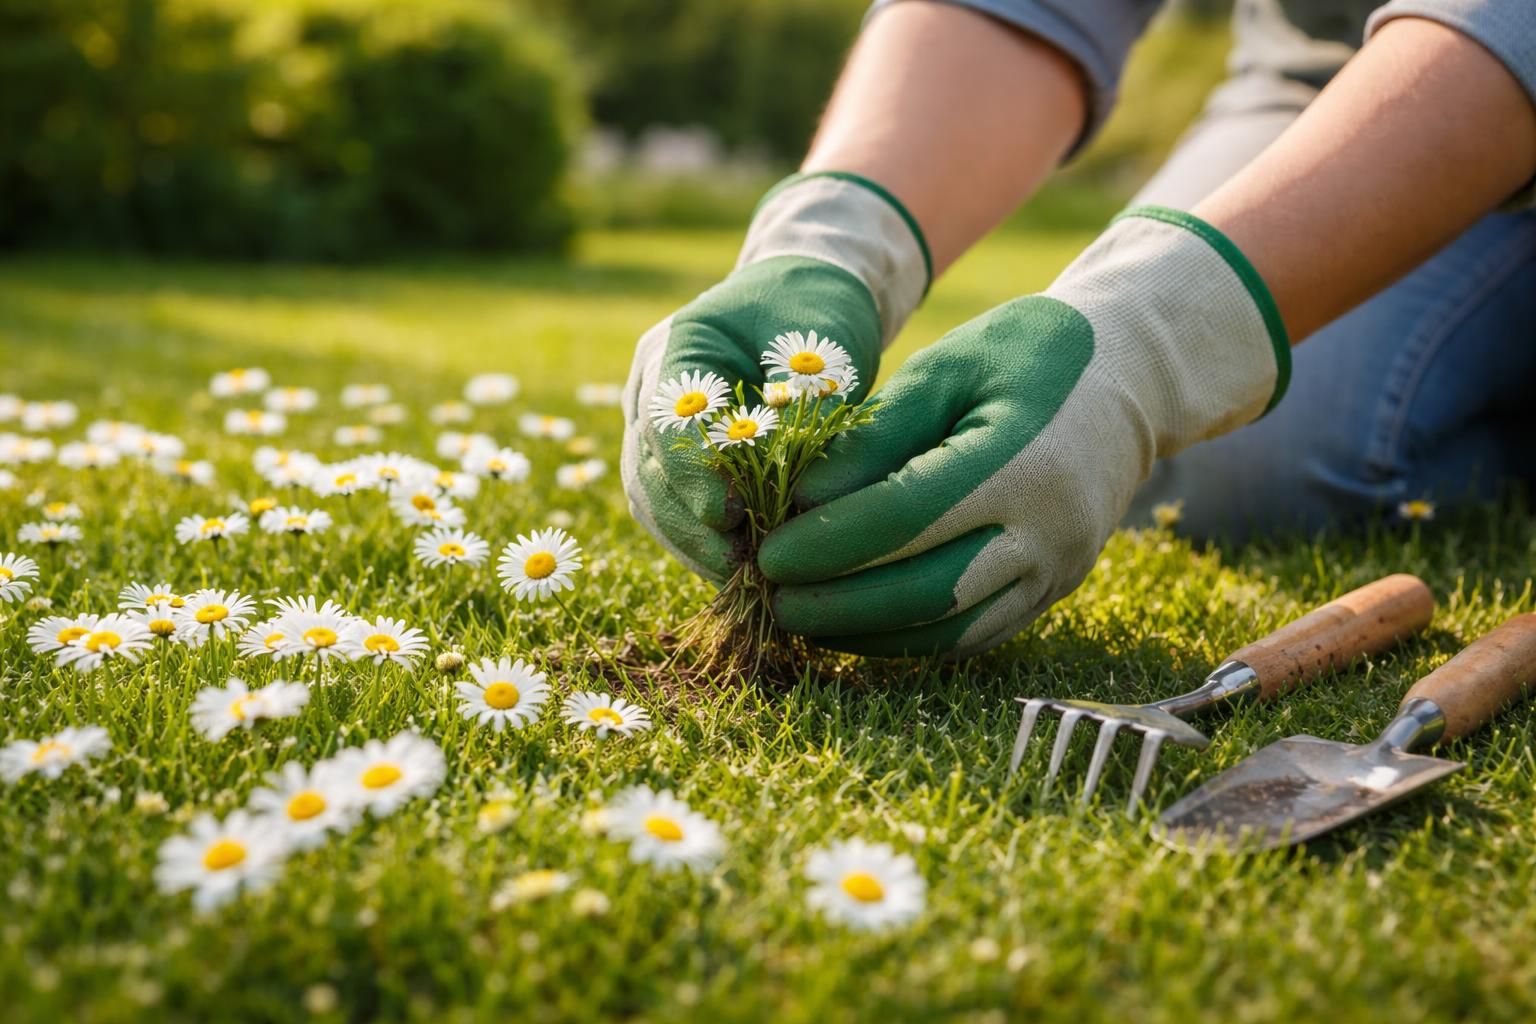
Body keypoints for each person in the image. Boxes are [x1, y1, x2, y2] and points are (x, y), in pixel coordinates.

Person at [620, 0, 1536, 658]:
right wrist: (831, 240)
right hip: (1326, 69)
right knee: (1188, 452)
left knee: (1264, 433)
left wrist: (1160, 337)